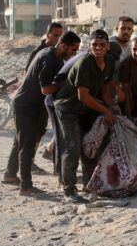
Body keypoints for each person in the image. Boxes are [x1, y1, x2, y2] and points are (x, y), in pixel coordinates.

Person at [4, 31, 81, 196]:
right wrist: (66, 84)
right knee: (27, 144)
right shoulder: (48, 59)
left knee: (20, 141)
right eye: (73, 50)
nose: (74, 53)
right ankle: (26, 186)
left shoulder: (54, 57)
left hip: (33, 106)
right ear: (63, 45)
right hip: (26, 105)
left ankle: (10, 174)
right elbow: (46, 89)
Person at [54, 29, 117, 203]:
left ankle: (89, 184)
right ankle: (69, 190)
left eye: (102, 44)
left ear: (107, 46)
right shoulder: (84, 63)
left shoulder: (110, 62)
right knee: (72, 146)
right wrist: (105, 111)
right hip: (68, 107)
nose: (98, 47)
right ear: (89, 46)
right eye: (94, 44)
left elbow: (104, 87)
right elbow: (83, 95)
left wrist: (111, 105)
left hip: (86, 108)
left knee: (90, 144)